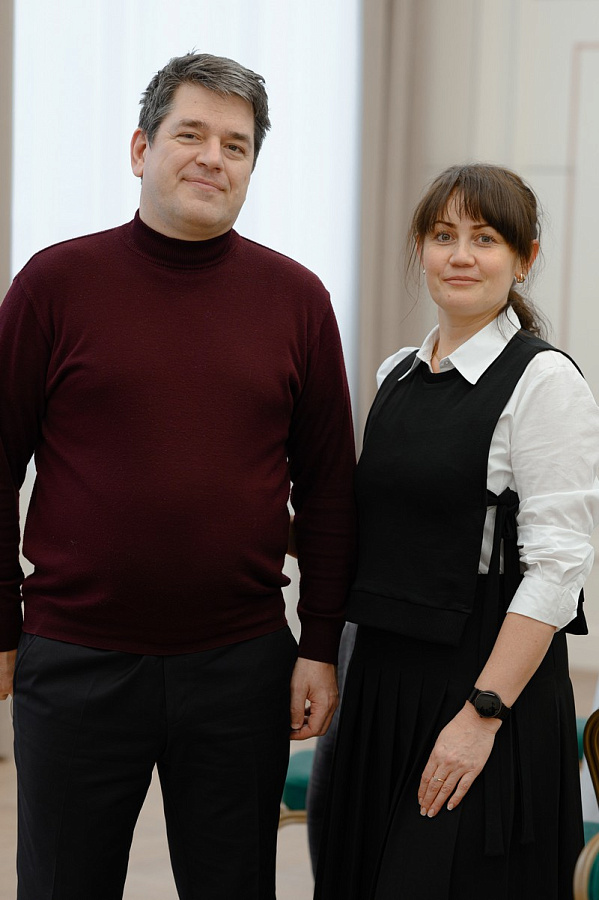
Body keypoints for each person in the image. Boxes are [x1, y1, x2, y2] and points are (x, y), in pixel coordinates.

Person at [0, 52, 356, 900]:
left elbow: (330, 489)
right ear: (140, 149)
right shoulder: (54, 283)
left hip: (240, 665)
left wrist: (319, 643)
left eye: (236, 145)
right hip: (76, 658)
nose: (212, 158)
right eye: (190, 134)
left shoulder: (296, 299)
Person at [313, 163, 599, 900]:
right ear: (420, 249)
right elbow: (382, 527)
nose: (461, 255)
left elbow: (558, 568)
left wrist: (482, 714)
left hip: (483, 677)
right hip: (382, 678)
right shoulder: (396, 373)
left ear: (524, 258)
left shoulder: (544, 382)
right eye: (443, 236)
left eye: (485, 238)